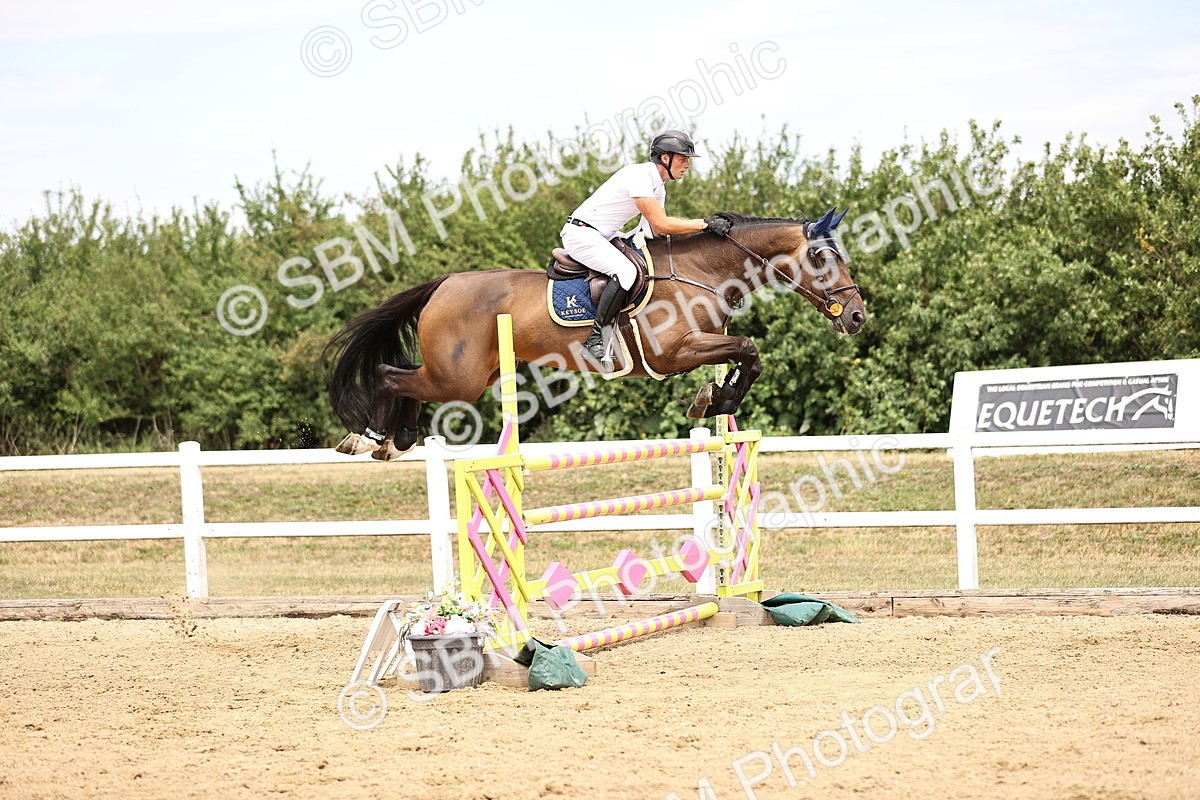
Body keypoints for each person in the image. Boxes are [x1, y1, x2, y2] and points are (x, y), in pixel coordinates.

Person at [560, 129, 732, 368]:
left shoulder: (658, 187)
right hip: (582, 235)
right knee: (626, 272)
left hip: (604, 235)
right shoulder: (640, 175)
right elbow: (662, 223)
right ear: (665, 158)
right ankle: (595, 339)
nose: (687, 165)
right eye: (683, 159)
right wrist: (705, 224)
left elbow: (654, 231)